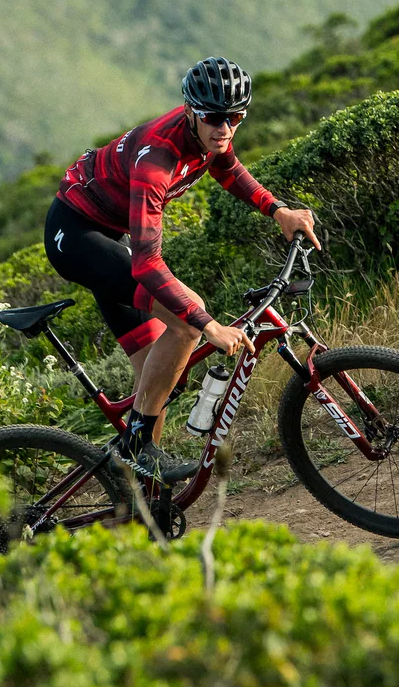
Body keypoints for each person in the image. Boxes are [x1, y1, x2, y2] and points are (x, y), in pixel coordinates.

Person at [44, 56, 319, 482]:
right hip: (76, 236)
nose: (223, 129)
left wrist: (276, 209)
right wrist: (208, 325)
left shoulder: (211, 135)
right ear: (191, 110)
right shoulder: (157, 159)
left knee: (152, 379)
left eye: (235, 117)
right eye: (212, 117)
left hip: (108, 234)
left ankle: (138, 497)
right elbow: (146, 263)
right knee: (186, 323)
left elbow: (226, 167)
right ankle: (137, 447)